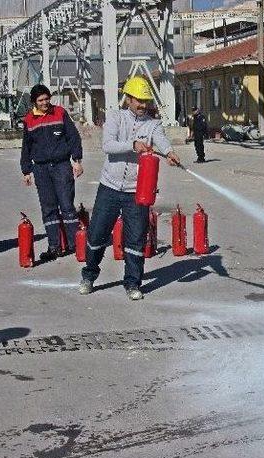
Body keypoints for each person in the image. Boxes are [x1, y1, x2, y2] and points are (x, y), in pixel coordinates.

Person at [79, 76, 181, 301]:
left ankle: (133, 283)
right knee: (97, 235)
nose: (143, 105)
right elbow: (108, 146)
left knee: (135, 239)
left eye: (146, 100)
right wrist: (132, 145)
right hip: (110, 187)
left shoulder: (152, 123)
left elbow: (161, 140)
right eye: (139, 100)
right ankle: (89, 276)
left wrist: (169, 152)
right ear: (129, 99)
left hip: (137, 191)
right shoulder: (115, 118)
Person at [20, 84, 84, 261]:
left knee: (67, 206)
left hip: (61, 166)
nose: (45, 103)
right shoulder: (29, 120)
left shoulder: (60, 113)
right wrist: (26, 170)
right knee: (48, 209)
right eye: (40, 100)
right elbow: (26, 147)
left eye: (47, 99)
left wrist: (77, 161)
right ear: (34, 102)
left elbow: (73, 137)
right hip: (40, 169)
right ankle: (54, 246)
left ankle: (75, 244)